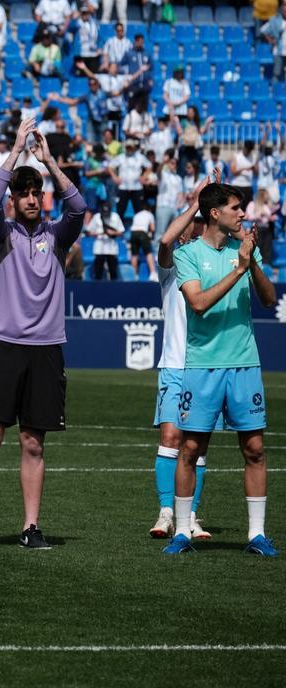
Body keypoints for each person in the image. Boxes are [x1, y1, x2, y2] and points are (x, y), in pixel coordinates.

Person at [0, 117, 86, 550]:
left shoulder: (58, 236)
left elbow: (79, 207)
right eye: (24, 193)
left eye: (37, 193)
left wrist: (48, 160)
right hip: (5, 346)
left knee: (33, 442)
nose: (32, 199)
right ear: (16, 199)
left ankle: (31, 527)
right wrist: (16, 151)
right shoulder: (2, 235)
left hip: (47, 349)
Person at [163, 182, 278, 557]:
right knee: (190, 448)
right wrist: (239, 269)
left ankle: (257, 535)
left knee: (255, 449)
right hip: (203, 366)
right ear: (214, 213)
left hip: (245, 363)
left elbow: (269, 298)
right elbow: (197, 303)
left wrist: (252, 262)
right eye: (235, 207)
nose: (243, 213)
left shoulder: (244, 249)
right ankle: (182, 532)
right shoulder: (188, 254)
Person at [149, 173, 215, 540]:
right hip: (174, 364)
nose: (193, 230)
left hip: (205, 364)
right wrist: (196, 202)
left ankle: (190, 516)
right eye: (192, 224)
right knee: (171, 437)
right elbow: (165, 239)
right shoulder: (171, 270)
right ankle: (165, 512)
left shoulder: (208, 267)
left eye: (200, 223)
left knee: (198, 443)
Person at [87, 200, 124, 280]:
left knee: (113, 273)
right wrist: (98, 233)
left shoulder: (116, 216)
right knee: (98, 273)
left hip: (112, 249)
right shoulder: (97, 217)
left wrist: (113, 233)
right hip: (99, 248)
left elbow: (121, 232)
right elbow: (89, 232)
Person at [129, 202, 157, 278]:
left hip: (133, 234)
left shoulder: (136, 215)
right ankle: (153, 273)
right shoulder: (150, 214)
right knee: (148, 253)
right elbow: (153, 228)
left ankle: (134, 275)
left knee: (134, 254)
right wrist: (151, 237)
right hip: (142, 233)